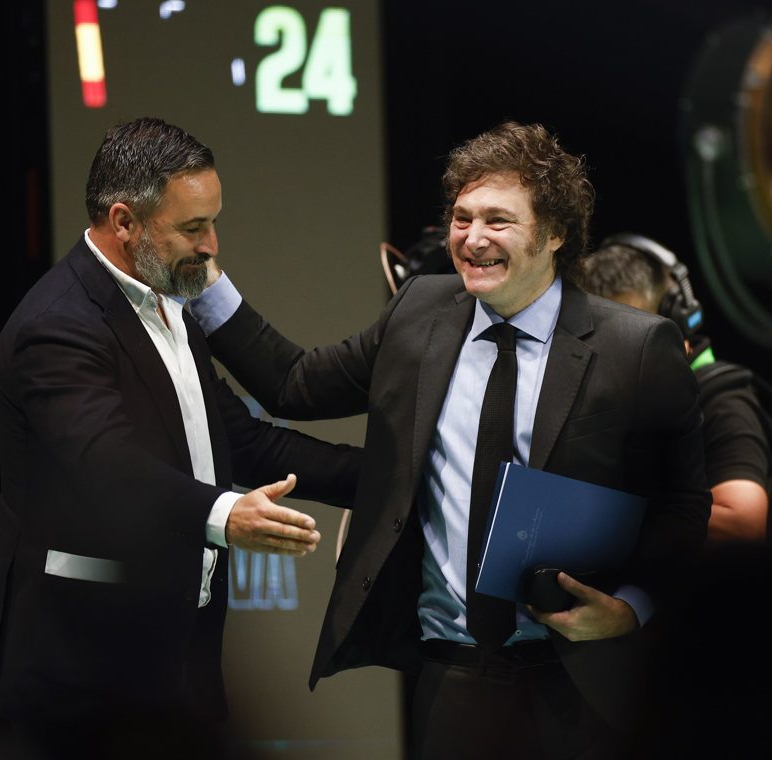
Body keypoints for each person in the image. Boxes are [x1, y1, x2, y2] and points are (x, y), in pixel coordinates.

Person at [190, 122, 710, 758]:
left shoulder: (635, 347)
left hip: (584, 678)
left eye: (498, 220)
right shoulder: (419, 313)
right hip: (452, 678)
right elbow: (294, 384)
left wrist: (631, 608)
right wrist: (203, 287)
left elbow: (683, 504)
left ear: (554, 235)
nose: (473, 238)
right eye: (462, 218)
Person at [0, 117, 361, 755]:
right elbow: (106, 469)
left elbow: (244, 443)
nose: (211, 244)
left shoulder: (166, 301)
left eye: (213, 222)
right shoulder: (56, 327)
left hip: (177, 658)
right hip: (82, 675)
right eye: (193, 228)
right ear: (124, 222)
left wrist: (388, 478)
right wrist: (226, 515)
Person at [580, 233, 772, 544]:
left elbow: (744, 525)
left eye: (630, 335)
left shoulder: (722, 401)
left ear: (675, 322)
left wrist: (615, 507)